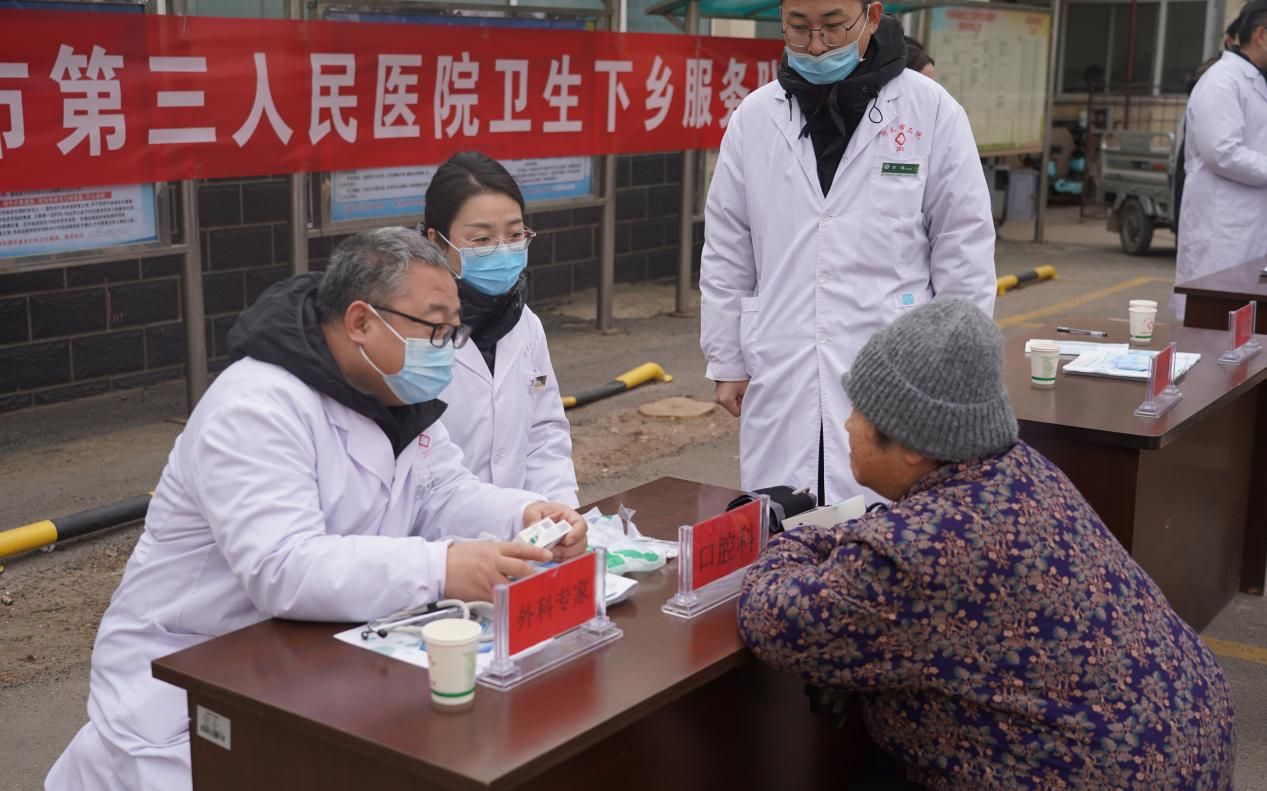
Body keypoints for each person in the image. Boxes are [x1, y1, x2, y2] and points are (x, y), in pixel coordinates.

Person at [46, 228, 588, 791]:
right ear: (361, 322)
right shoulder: (256, 406)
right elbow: (283, 566)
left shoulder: (396, 391)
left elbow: (444, 492)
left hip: (309, 659)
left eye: (454, 330)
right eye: (435, 328)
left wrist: (526, 514)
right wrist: (441, 567)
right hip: (190, 679)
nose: (446, 348)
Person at [738, 299, 1235, 790]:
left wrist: (791, 539)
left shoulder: (919, 550)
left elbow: (771, 619)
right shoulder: (1021, 469)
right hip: (1182, 747)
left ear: (911, 445)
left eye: (859, 411)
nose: (847, 425)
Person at [699, 0, 996, 508]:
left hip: (893, 361)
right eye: (798, 28)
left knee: (885, 528)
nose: (816, 46)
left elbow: (963, 248)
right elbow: (728, 244)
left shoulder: (930, 110)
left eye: (833, 27)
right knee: (781, 522)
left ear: (872, 16)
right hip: (783, 359)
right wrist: (726, 358)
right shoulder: (755, 117)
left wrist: (953, 374)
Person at [420, 152, 578, 506]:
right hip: (437, 530)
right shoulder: (411, 332)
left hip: (526, 526)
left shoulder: (525, 323)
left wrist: (558, 510)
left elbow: (545, 433)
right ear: (437, 242)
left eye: (515, 234)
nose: (503, 251)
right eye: (481, 240)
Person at [1173, 0, 1267, 319]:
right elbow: (1222, 152)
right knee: (1213, 322)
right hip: (1223, 231)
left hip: (1248, 227)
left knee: (1243, 325)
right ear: (1261, 36)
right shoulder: (1222, 81)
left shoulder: (1254, 80)